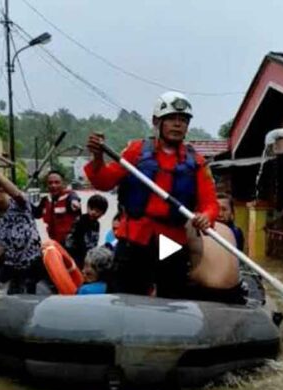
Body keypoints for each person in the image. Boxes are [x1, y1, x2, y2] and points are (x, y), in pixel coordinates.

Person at [84, 91, 219, 299]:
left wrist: (206, 217)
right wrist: (97, 158)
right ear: (157, 122)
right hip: (135, 237)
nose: (177, 124)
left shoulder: (197, 163)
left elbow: (210, 204)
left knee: (172, 298)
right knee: (125, 297)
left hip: (171, 240)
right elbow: (104, 181)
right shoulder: (135, 152)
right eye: (172, 119)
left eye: (182, 120)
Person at [0, 159, 45, 295]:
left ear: (0, 190)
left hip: (32, 263)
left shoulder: (20, 206)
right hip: (8, 266)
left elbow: (16, 193)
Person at [33, 170, 81, 244]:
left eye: (57, 182)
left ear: (63, 183)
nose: (53, 185)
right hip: (54, 243)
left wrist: (74, 202)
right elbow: (36, 214)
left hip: (71, 244)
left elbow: (74, 200)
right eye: (50, 183)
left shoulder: (70, 196)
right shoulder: (45, 200)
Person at [64, 194, 109, 268]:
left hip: (87, 254)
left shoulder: (97, 224)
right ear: (87, 207)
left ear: (103, 213)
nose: (93, 212)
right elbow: (76, 239)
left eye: (97, 211)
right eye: (91, 209)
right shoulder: (80, 220)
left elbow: (94, 240)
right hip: (75, 254)